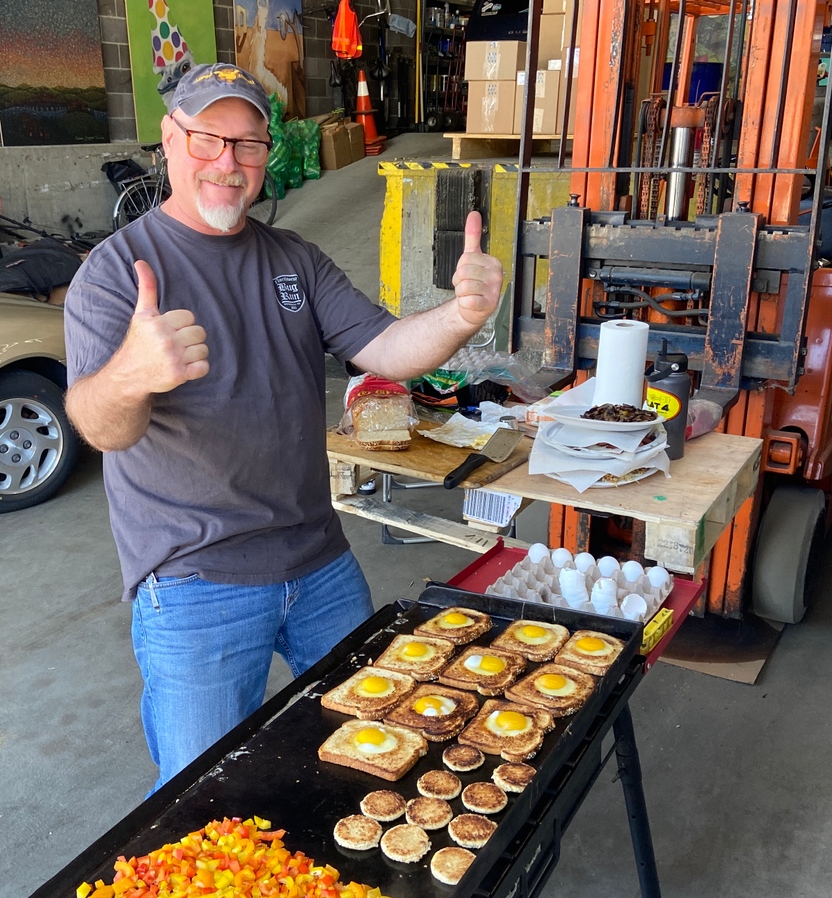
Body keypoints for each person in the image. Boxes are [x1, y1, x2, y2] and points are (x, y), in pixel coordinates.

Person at [63, 63, 503, 793]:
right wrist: (133, 373)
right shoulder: (117, 273)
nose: (229, 164)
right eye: (209, 140)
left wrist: (461, 318)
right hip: (196, 577)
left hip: (318, 561)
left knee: (378, 741)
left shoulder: (294, 259)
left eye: (249, 145)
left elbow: (385, 348)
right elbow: (98, 426)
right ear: (170, 141)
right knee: (198, 795)